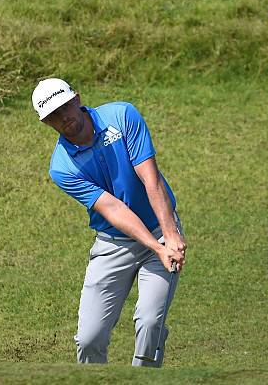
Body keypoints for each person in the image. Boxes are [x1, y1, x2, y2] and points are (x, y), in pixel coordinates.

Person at [31, 78, 186, 367]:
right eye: (53, 116)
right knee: (89, 338)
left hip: (160, 228)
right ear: (46, 123)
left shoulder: (123, 115)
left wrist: (169, 234)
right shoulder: (62, 167)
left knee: (150, 321)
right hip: (113, 245)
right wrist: (157, 247)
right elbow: (113, 209)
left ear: (77, 99)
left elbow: (150, 179)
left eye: (65, 107)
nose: (64, 118)